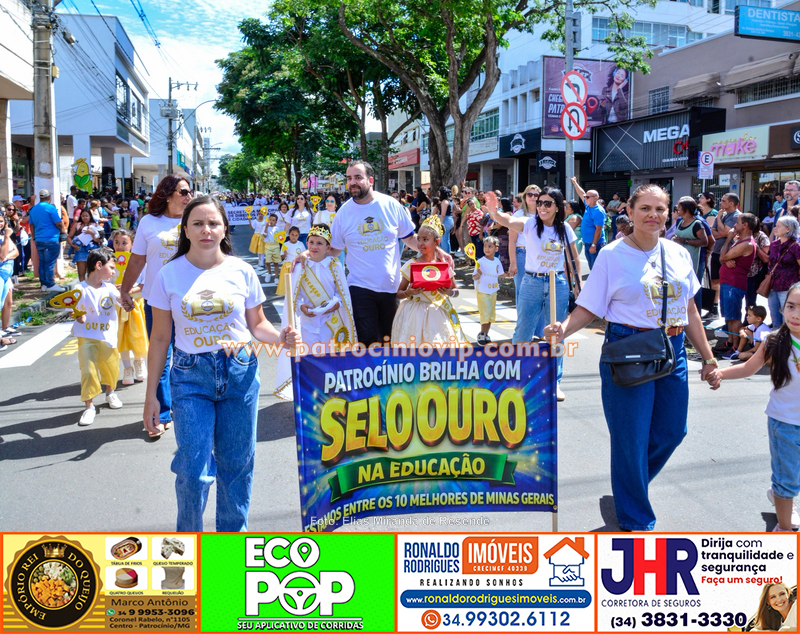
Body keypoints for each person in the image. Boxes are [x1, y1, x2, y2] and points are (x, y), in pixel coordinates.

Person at [544, 184, 720, 531]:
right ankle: (636, 519)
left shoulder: (678, 252)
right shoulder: (611, 254)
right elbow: (588, 308)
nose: (653, 215)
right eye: (645, 208)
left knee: (672, 431)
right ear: (630, 209)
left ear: (669, 213)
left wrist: (709, 358)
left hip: (672, 351)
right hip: (628, 350)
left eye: (660, 209)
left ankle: (629, 485)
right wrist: (561, 330)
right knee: (631, 437)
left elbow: (690, 309)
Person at [144, 196, 296, 532]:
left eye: (213, 223)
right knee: (192, 470)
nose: (206, 230)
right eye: (197, 223)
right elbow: (159, 339)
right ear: (185, 229)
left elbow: (257, 325)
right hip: (189, 377)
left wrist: (280, 337)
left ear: (224, 228)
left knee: (237, 465)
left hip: (239, 372)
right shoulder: (168, 275)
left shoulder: (241, 271)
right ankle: (191, 546)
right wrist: (152, 394)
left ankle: (229, 544)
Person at [299, 161, 448, 347]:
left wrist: (436, 250)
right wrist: (309, 252)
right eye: (349, 178)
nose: (352, 182)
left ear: (370, 180)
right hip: (360, 288)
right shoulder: (344, 213)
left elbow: (410, 238)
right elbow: (334, 249)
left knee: (391, 340)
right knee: (367, 341)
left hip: (391, 288)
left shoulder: (391, 205)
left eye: (358, 177)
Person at [713, 283, 800, 534]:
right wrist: (720, 373)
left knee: (791, 475)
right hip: (784, 423)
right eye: (791, 306)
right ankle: (784, 530)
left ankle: (779, 494)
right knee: (787, 480)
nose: (794, 314)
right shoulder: (774, 340)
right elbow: (748, 368)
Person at [488, 188, 580, 402]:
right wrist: (494, 212)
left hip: (557, 282)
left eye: (548, 203)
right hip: (531, 281)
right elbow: (507, 221)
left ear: (557, 206)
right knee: (523, 331)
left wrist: (577, 285)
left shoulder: (565, 229)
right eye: (540, 203)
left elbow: (573, 259)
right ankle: (516, 378)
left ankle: (554, 382)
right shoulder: (529, 224)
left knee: (556, 332)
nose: (542, 207)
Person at [120, 175, 193, 433]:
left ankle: (186, 407)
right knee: (161, 357)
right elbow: (138, 260)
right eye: (183, 191)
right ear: (168, 194)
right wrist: (125, 290)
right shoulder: (149, 222)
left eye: (190, 192)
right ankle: (161, 414)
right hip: (157, 303)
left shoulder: (194, 220)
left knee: (189, 358)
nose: (188, 196)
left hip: (191, 303)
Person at [275, 223, 355, 400]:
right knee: (309, 359)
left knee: (329, 359)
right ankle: (310, 395)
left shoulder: (335, 266)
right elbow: (295, 296)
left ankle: (331, 395)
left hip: (330, 323)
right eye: (311, 242)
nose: (314, 246)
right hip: (308, 323)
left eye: (319, 243)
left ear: (328, 247)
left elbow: (341, 294)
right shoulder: (299, 266)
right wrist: (301, 307)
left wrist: (336, 304)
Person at [391, 216, 463, 345]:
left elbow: (456, 290)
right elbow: (398, 292)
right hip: (414, 314)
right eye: (419, 239)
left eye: (425, 239)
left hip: (438, 313)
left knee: (438, 347)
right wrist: (409, 293)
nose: (420, 243)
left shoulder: (443, 266)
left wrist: (449, 292)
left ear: (437, 242)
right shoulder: (411, 264)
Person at [72, 248, 123, 426]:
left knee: (111, 368)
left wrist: (129, 300)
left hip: (107, 335)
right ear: (98, 265)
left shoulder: (110, 288)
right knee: (88, 370)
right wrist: (79, 316)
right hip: (86, 336)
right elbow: (74, 309)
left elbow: (121, 300)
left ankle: (110, 393)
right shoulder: (79, 289)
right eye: (111, 267)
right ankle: (89, 406)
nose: (114, 271)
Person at [112, 229, 148, 386]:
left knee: (137, 335)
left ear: (132, 244)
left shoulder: (140, 263)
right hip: (117, 305)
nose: (120, 246)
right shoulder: (109, 262)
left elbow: (145, 284)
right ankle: (127, 368)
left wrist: (128, 289)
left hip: (135, 304)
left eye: (124, 243)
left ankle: (139, 362)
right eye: (117, 242)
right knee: (121, 337)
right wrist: (115, 288)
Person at [717, 212, 757, 355]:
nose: (735, 224)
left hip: (734, 284)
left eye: (738, 222)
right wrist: (726, 259)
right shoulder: (740, 241)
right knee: (729, 317)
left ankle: (737, 346)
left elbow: (722, 256)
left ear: (745, 225)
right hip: (728, 283)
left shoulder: (746, 243)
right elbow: (724, 257)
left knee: (734, 317)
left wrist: (728, 240)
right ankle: (730, 343)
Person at [707, 193, 741, 319]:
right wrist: (723, 231)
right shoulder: (722, 214)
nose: (720, 203)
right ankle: (714, 309)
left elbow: (723, 231)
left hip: (728, 254)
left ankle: (728, 317)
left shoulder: (736, 216)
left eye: (723, 201)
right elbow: (714, 233)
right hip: (716, 252)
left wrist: (720, 220)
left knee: (726, 284)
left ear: (731, 203)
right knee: (714, 281)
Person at [671, 197, 709, 310]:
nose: (677, 208)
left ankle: (696, 317)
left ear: (685, 208)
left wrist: (685, 241)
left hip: (692, 261)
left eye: (679, 206)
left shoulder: (697, 223)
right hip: (678, 261)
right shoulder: (680, 221)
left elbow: (704, 241)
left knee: (694, 290)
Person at [28, 189, 66, 292]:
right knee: (50, 263)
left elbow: (31, 225)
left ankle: (44, 284)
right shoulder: (51, 208)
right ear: (49, 197)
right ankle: (50, 284)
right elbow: (58, 223)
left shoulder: (33, 209)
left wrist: (34, 237)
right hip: (51, 239)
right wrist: (63, 232)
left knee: (43, 262)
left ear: (40, 198)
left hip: (39, 239)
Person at [508, 185, 539, 308]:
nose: (532, 197)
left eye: (536, 195)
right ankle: (523, 322)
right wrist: (513, 262)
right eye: (529, 194)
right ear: (525, 197)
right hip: (522, 254)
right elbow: (512, 240)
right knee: (522, 290)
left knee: (538, 291)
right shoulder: (518, 215)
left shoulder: (544, 214)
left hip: (539, 255)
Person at [767, 216, 800, 329]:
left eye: (779, 226)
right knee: (775, 320)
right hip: (773, 287)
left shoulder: (796, 247)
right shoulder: (774, 244)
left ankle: (787, 345)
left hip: (787, 288)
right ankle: (777, 345)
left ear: (788, 229)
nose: (775, 228)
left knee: (786, 321)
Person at [472, 235, 504, 346]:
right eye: (485, 246)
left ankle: (486, 334)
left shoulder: (497, 261)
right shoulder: (480, 262)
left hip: (493, 291)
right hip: (483, 292)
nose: (487, 249)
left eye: (490, 246)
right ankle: (481, 334)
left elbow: (500, 274)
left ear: (496, 249)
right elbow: (474, 277)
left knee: (490, 315)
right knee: (485, 314)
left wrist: (510, 275)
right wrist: (478, 274)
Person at [570, 177, 606, 270]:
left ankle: (598, 284)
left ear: (595, 198)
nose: (585, 198)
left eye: (587, 197)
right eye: (585, 196)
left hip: (595, 244)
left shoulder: (598, 211)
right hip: (588, 242)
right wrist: (575, 183)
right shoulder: (589, 205)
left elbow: (599, 229)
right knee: (591, 267)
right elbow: (581, 193)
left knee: (596, 268)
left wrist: (593, 245)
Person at [68, 209, 104, 281]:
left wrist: (92, 234)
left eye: (86, 216)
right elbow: (69, 237)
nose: (85, 218)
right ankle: (82, 289)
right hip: (80, 251)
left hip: (92, 251)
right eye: (83, 216)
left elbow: (99, 240)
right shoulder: (77, 225)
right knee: (81, 274)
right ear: (81, 217)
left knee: (92, 273)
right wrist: (73, 245)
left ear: (90, 216)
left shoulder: (95, 226)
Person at [276, 227, 305, 297]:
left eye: (296, 235)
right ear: (289, 234)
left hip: (297, 266)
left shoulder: (300, 244)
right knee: (287, 284)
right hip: (287, 267)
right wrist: (284, 255)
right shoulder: (285, 244)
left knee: (296, 283)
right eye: (292, 235)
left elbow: (303, 255)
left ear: (298, 236)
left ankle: (296, 297)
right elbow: (281, 257)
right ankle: (288, 298)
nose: (294, 237)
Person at [262, 214, 282, 283]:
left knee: (276, 262)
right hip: (268, 245)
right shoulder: (265, 227)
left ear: (276, 222)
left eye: (273, 220)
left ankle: (276, 277)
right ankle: (269, 273)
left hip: (276, 245)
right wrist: (266, 227)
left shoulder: (277, 228)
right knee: (268, 261)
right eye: (270, 220)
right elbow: (264, 236)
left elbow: (280, 238)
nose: (271, 221)